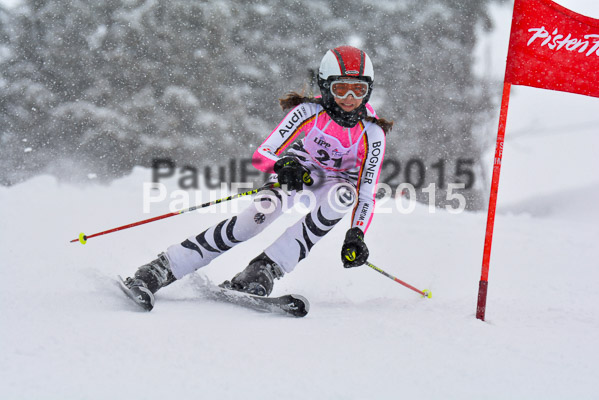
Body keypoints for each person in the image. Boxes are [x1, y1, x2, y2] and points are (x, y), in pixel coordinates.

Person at [122, 45, 393, 310]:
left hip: (336, 183)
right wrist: (283, 165)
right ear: (325, 87)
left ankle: (262, 271)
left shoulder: (372, 132)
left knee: (345, 196)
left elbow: (366, 190)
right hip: (299, 171)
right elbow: (262, 153)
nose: (349, 97)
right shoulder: (310, 112)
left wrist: (356, 233)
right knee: (254, 220)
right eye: (340, 88)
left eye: (359, 89)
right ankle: (161, 268)